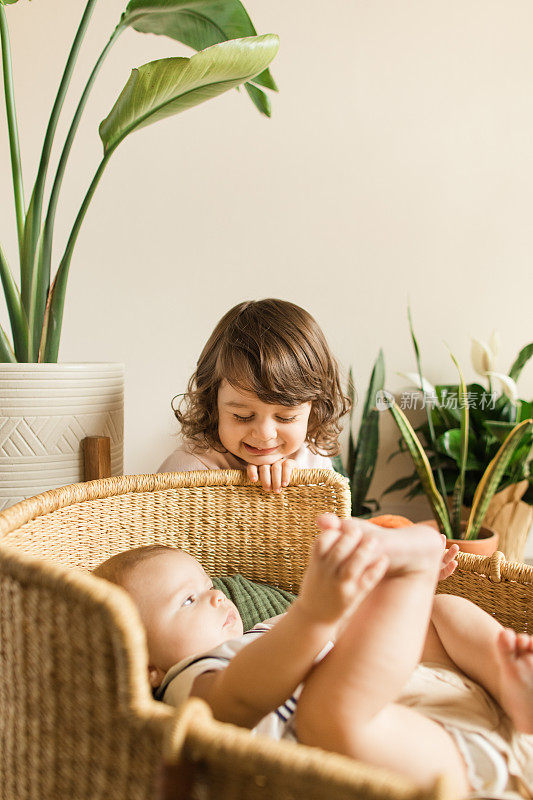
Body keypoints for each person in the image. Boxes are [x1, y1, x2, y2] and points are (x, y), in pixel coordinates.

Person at [94, 517, 533, 797]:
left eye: (208, 585)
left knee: (440, 613)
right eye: (188, 600)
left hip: (445, 707)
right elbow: (235, 701)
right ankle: (411, 575)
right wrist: (314, 613)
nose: (214, 598)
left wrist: (389, 600)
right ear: (146, 664)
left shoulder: (269, 629)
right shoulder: (186, 679)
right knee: (325, 713)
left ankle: (506, 674)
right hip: (400, 761)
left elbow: (362, 632)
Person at [157, 299, 350, 492]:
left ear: (314, 408)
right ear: (213, 404)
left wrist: (296, 487)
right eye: (243, 416)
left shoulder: (313, 458)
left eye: (286, 418)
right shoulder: (189, 469)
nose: (265, 434)